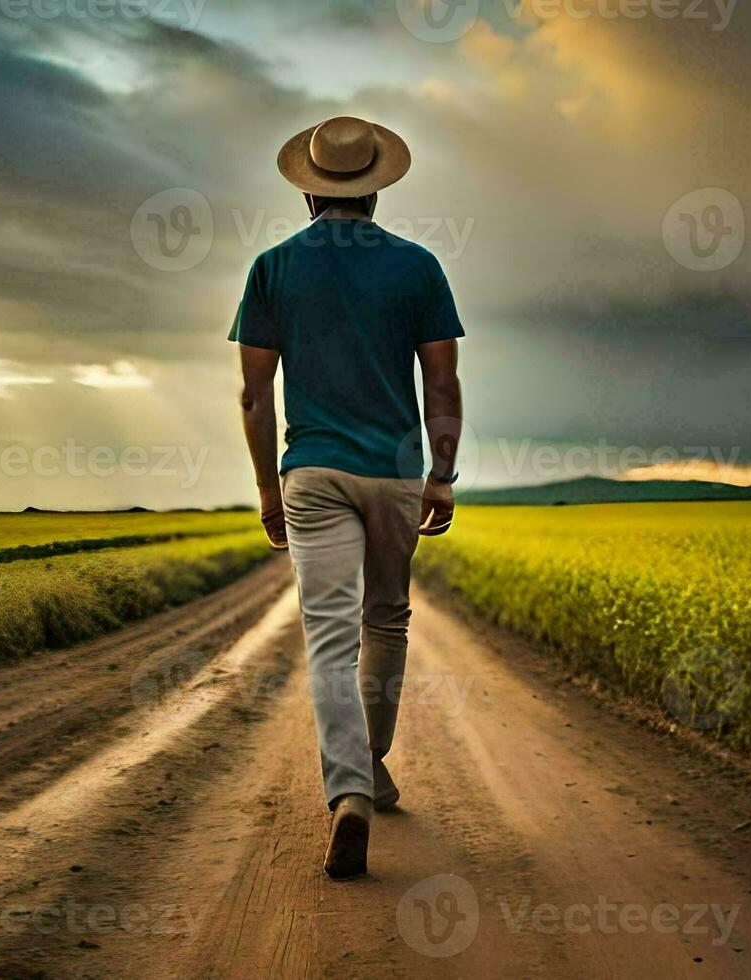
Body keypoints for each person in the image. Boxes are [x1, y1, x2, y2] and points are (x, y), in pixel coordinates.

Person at [230, 115, 465, 880]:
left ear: (307, 190)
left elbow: (255, 397)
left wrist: (269, 488)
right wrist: (442, 472)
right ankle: (370, 763)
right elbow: (441, 382)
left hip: (314, 470)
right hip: (396, 471)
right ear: (376, 190)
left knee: (330, 639)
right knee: (386, 620)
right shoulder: (419, 266)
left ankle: (351, 793)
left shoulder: (271, 268)